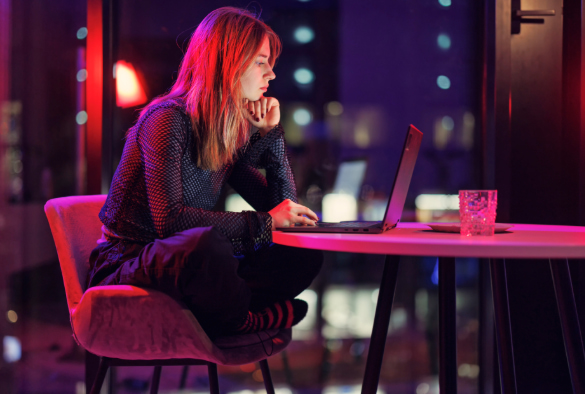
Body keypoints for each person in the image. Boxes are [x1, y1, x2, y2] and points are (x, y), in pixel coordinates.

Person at [87, 7, 323, 338]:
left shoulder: (221, 133)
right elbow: (168, 222)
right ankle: (241, 319)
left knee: (302, 249)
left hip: (187, 265)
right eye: (260, 62)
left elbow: (280, 206)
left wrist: (272, 134)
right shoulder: (168, 119)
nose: (271, 74)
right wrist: (266, 223)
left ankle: (238, 311)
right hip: (129, 261)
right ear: (228, 63)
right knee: (206, 245)